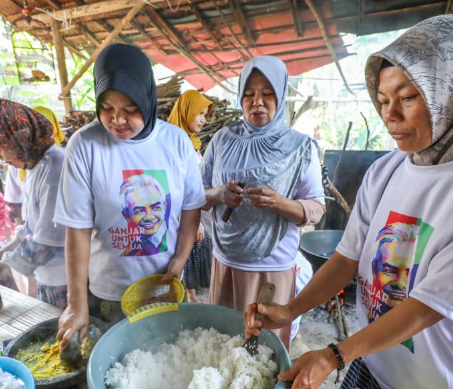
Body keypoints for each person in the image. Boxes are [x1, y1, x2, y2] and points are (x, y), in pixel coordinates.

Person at [244, 15, 453, 389]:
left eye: (407, 98)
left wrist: (336, 354)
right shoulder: (386, 170)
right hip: (375, 364)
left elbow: (433, 304)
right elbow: (348, 257)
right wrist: (292, 308)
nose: (389, 116)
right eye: (382, 100)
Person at [54, 43, 206, 346]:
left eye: (130, 109)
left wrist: (179, 260)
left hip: (165, 284)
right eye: (107, 109)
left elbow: (191, 207)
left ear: (147, 100)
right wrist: (76, 303)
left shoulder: (175, 141)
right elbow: (78, 228)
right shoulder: (85, 145)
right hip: (109, 293)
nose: (117, 120)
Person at [202, 56, 325, 350]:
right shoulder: (222, 140)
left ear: (281, 95)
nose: (257, 101)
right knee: (221, 344)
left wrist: (281, 204)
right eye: (249, 93)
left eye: (267, 93)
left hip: (272, 270)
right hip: (225, 264)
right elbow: (196, 194)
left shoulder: (301, 147)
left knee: (262, 350)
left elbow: (316, 210)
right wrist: (219, 194)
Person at [0, 99, 69, 308]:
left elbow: (48, 241)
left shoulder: (55, 167)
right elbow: (31, 227)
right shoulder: (35, 166)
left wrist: (5, 265)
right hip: (50, 275)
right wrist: (3, 252)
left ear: (19, 139)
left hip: (67, 279)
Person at [167, 90, 215, 302]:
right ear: (186, 112)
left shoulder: (191, 142)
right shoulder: (173, 144)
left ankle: (190, 294)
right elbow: (176, 188)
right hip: (181, 215)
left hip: (194, 213)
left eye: (205, 114)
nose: (203, 119)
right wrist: (193, 222)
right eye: (199, 113)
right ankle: (186, 296)